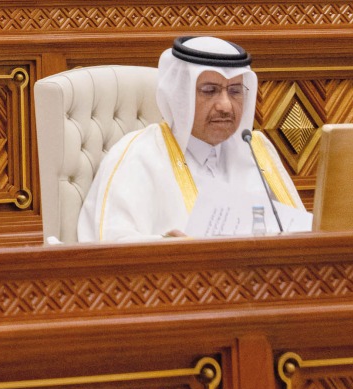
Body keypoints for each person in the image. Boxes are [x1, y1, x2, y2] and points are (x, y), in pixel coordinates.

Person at [78, 36, 303, 243]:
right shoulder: (139, 155)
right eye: (209, 90)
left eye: (235, 91)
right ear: (179, 96)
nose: (225, 105)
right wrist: (166, 247)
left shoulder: (256, 150)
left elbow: (302, 233)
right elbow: (110, 241)